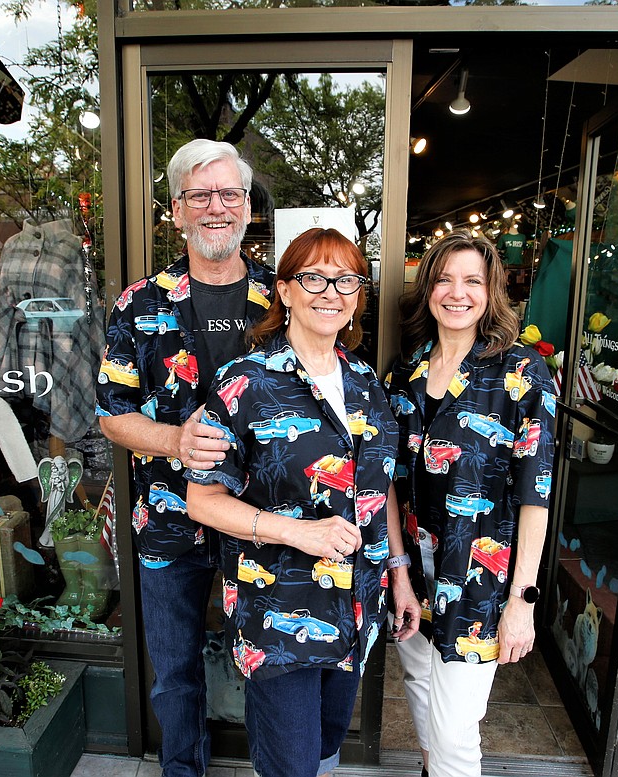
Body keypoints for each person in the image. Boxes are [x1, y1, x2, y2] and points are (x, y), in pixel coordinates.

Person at [185, 228, 421, 777]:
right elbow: (203, 501)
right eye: (313, 277)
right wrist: (298, 532)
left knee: (326, 746)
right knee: (290, 763)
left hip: (357, 608)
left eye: (346, 279)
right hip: (278, 615)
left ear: (358, 295)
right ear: (285, 291)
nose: (330, 291)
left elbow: (377, 486)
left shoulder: (366, 382)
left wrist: (401, 575)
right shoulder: (244, 383)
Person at [96, 139, 275, 777]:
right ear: (176, 211)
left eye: (229, 194)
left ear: (249, 207)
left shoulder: (284, 303)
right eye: (200, 196)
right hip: (166, 522)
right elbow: (110, 412)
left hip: (261, 522)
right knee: (174, 674)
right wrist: (173, 440)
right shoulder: (138, 303)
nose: (216, 207)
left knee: (268, 662)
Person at [384, 230, 556, 777]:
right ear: (428, 288)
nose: (456, 293)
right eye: (444, 279)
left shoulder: (521, 375)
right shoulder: (403, 373)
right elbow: (386, 483)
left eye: (472, 281)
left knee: (456, 726)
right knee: (418, 685)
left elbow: (536, 494)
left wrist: (523, 602)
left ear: (492, 292)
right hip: (415, 574)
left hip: (479, 582)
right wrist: (399, 571)